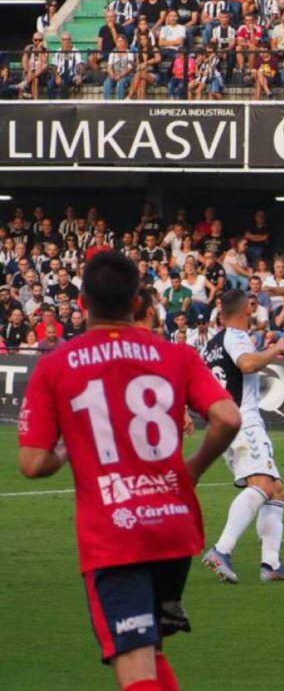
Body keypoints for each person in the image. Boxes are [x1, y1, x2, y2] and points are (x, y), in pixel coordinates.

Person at [18, 251, 241, 690]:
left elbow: (32, 464)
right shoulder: (175, 356)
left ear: (82, 302)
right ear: (138, 301)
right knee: (151, 652)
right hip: (174, 527)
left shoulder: (56, 365)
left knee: (135, 667)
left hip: (116, 533)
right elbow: (229, 418)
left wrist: (64, 447)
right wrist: (192, 469)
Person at [201, 290, 284, 583]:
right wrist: (277, 349)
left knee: (276, 489)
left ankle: (271, 565)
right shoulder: (235, 336)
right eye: (253, 305)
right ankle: (222, 550)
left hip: (223, 423)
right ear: (247, 310)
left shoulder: (212, 344)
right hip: (243, 422)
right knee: (263, 484)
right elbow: (247, 364)